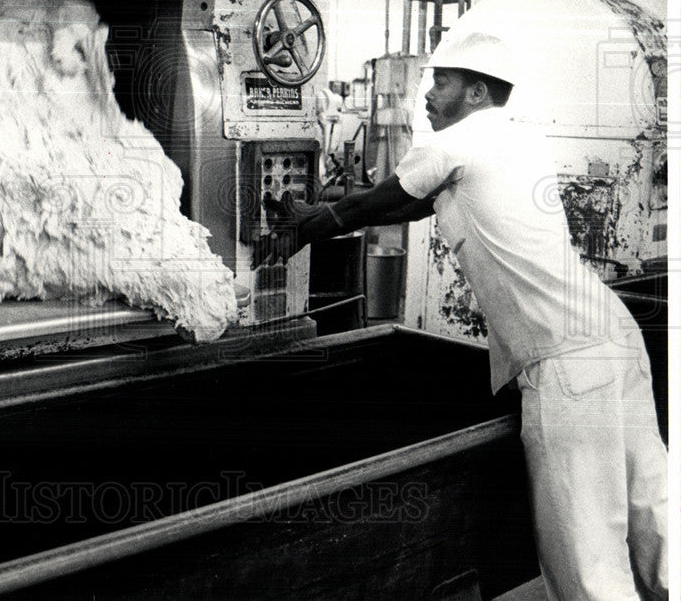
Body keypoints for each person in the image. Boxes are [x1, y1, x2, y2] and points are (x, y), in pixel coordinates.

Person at [257, 32, 668, 601]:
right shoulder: (518, 140)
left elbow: (372, 203)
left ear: (477, 92)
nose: (428, 94)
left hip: (568, 363)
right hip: (613, 338)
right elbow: (410, 203)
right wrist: (316, 215)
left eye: (441, 82)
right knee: (654, 510)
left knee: (586, 545)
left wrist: (303, 227)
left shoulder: (457, 140)